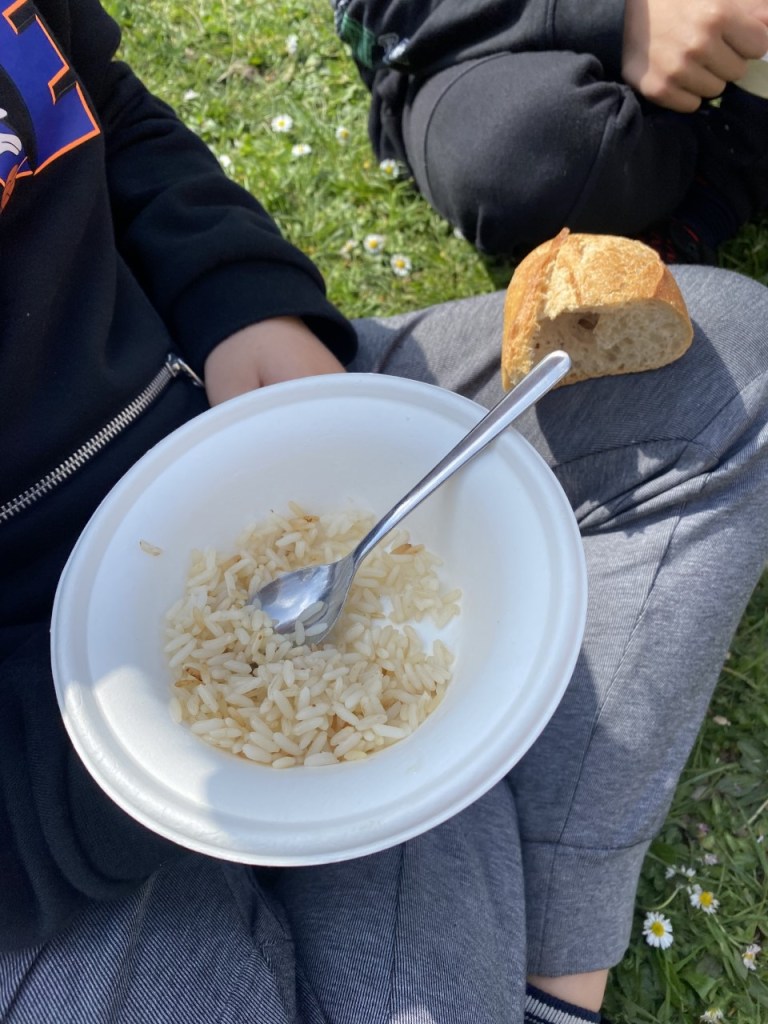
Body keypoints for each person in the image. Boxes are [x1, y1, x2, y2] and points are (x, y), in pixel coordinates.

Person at [1, 2, 768, 1023]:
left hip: (226, 414)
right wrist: (107, 780)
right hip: (41, 752)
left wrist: (242, 304)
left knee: (726, 378)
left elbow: (100, 106)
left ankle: (549, 976)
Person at [331, 0, 768, 261]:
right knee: (519, 153)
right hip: (476, 45)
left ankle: (729, 159)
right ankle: (720, 174)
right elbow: (373, 10)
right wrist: (624, 16)